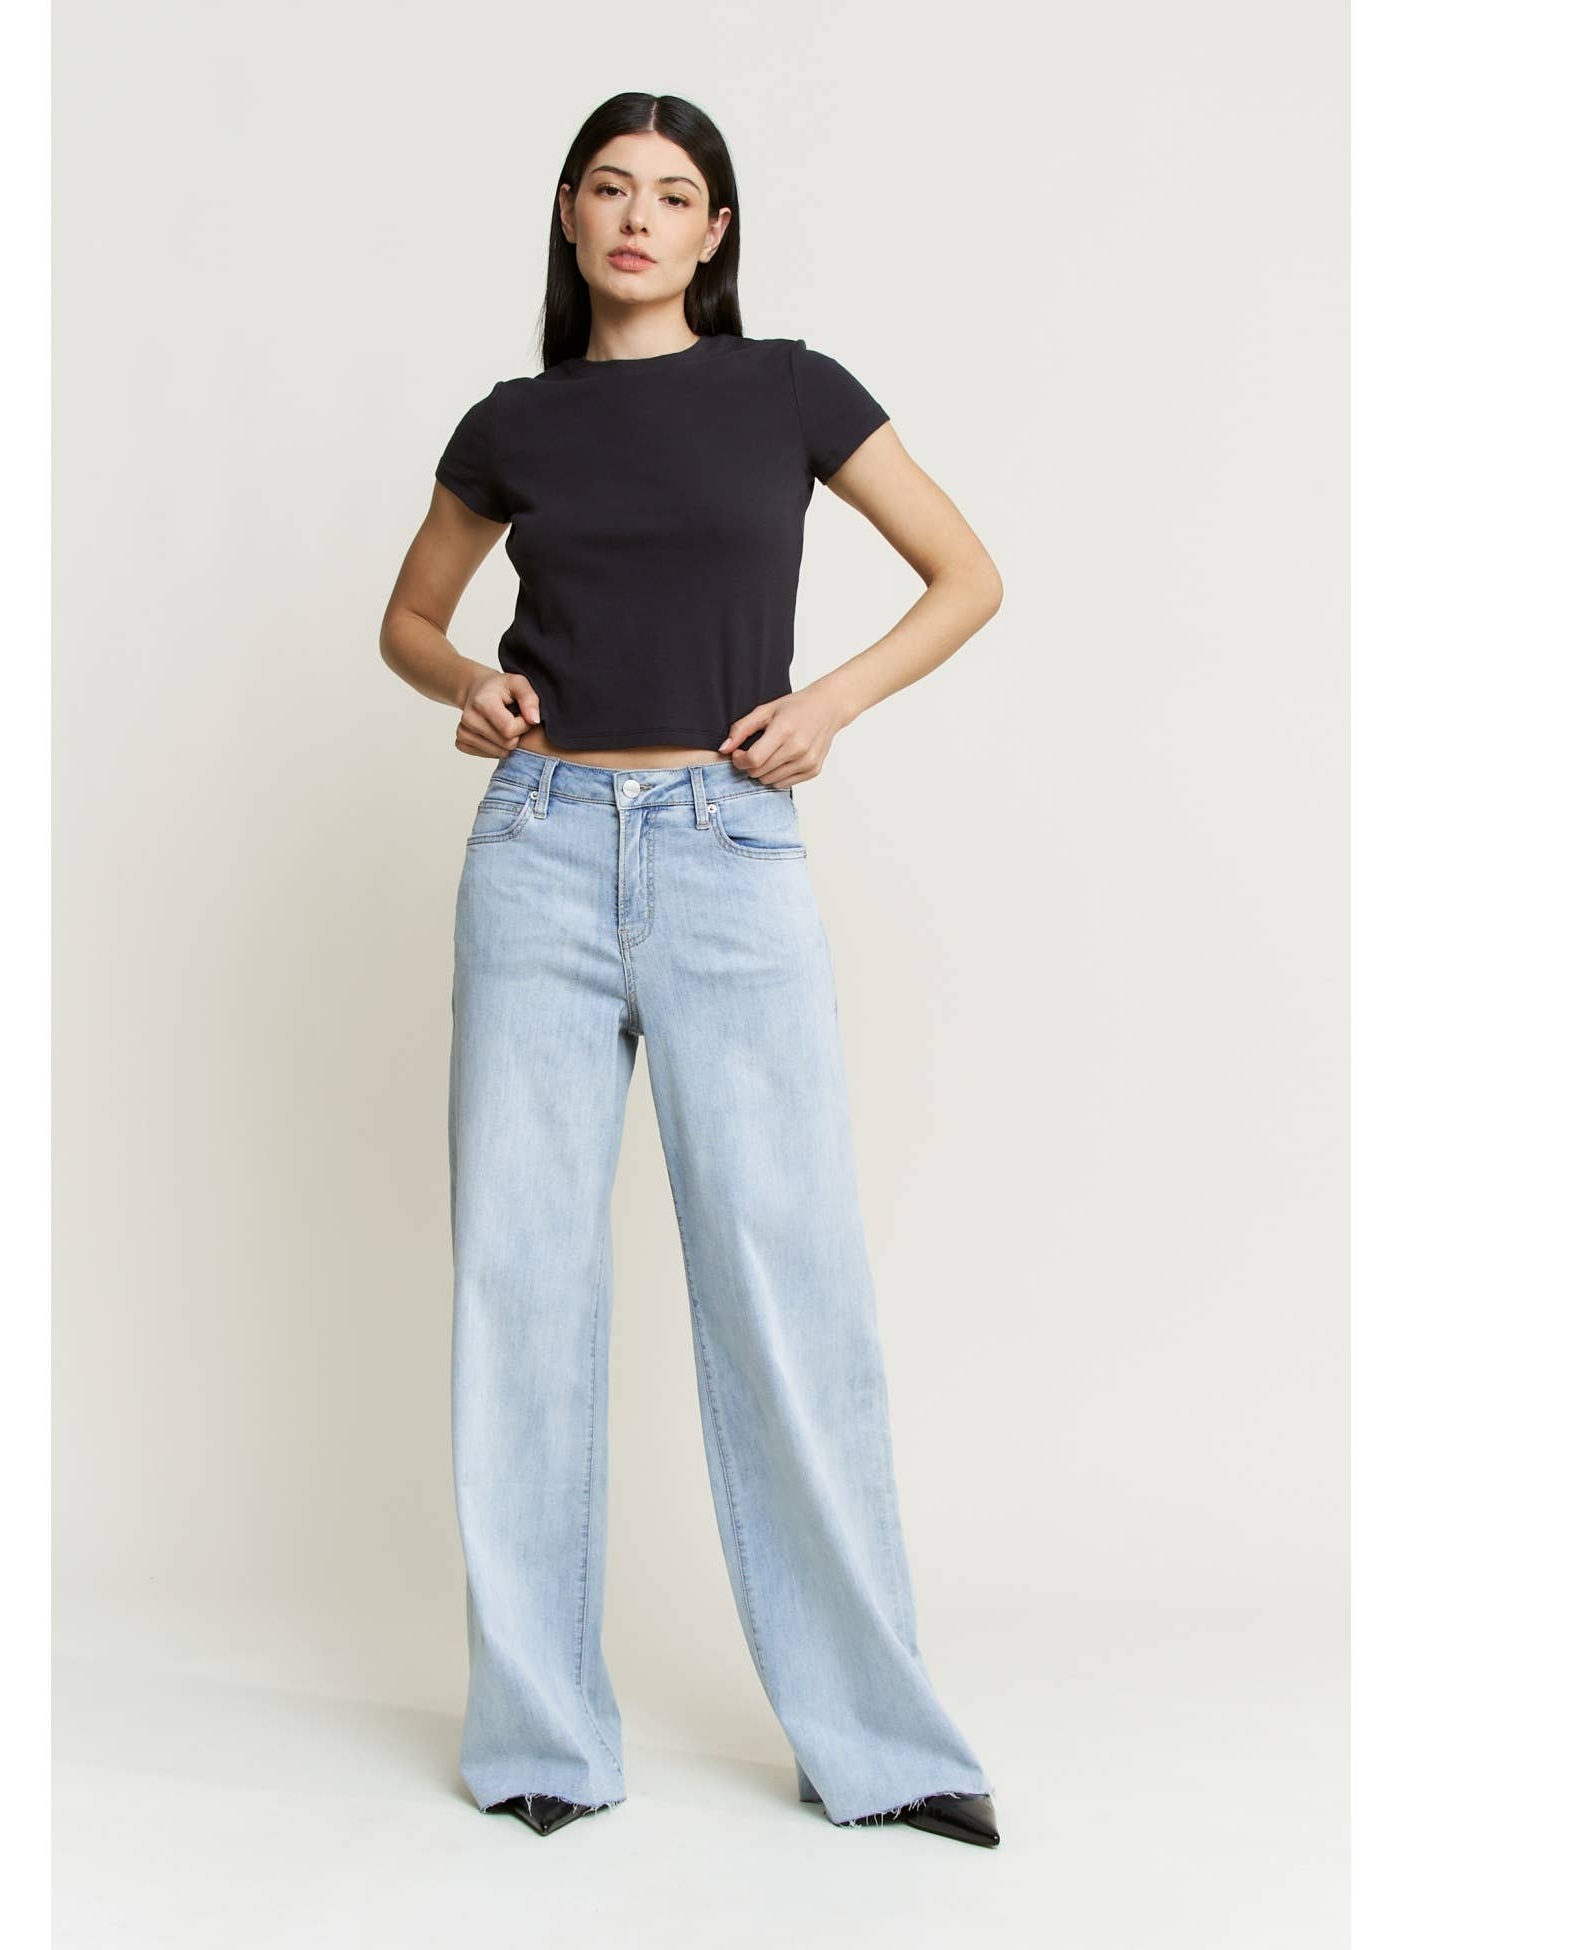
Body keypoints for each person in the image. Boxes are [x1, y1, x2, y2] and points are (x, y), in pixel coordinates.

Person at [380, 93, 1006, 1848]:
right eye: (609, 187)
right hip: (537, 853)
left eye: (673, 193)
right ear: (568, 215)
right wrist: (468, 685)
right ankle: (537, 1736)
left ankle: (880, 1741)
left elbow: (965, 574)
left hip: (728, 855)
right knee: (520, 1287)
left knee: (786, 1282)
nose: (638, 216)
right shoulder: (511, 424)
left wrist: (829, 704)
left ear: (715, 231)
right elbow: (409, 618)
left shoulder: (790, 389)